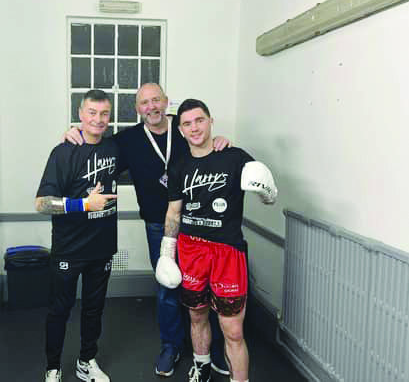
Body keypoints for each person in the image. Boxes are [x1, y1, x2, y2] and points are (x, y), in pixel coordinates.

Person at [64, 83, 230, 376]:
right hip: (158, 225)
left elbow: (206, 148)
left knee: (203, 284)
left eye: (156, 100)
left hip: (195, 222)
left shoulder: (183, 129)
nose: (151, 107)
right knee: (167, 286)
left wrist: (220, 143)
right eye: (144, 103)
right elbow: (96, 147)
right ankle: (172, 345)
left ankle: (213, 347)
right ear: (137, 109)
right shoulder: (127, 140)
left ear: (166, 102)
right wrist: (73, 134)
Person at [155, 99, 278, 382]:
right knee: (197, 316)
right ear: (181, 130)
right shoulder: (178, 166)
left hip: (227, 252)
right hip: (191, 249)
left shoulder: (235, 157)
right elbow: (174, 212)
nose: (194, 127)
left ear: (211, 121)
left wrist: (268, 189)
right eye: (187, 123)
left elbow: (269, 197)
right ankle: (202, 363)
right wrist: (166, 252)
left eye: (199, 120)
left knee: (233, 329)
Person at [36, 89, 119, 382]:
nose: (98, 120)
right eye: (92, 113)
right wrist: (84, 204)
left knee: (94, 310)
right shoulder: (63, 152)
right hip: (69, 249)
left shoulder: (114, 148)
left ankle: (86, 361)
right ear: (80, 114)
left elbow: (157, 127)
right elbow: (42, 203)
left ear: (110, 116)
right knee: (59, 310)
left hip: (102, 247)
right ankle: (53, 367)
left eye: (104, 113)